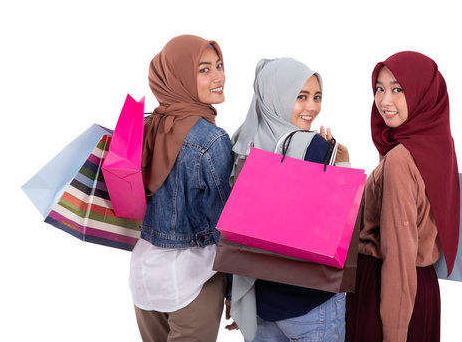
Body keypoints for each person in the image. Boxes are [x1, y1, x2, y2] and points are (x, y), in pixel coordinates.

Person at [229, 57, 349, 342]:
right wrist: (340, 163)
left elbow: (230, 230)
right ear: (277, 96)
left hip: (260, 304)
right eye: (301, 97)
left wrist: (232, 294)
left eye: (316, 97)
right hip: (311, 303)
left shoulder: (242, 146)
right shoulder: (315, 147)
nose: (312, 108)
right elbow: (344, 223)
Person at [345, 51, 460, 342]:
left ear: (422, 92)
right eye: (379, 89)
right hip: (421, 291)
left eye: (398, 89)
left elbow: (398, 255)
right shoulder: (435, 145)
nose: (385, 101)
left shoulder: (399, 160)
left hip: (388, 294)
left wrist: (394, 334)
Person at [128, 35, 233, 342]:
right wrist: (237, 291)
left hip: (144, 276)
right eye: (203, 70)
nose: (219, 77)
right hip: (192, 279)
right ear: (180, 76)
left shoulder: (146, 127)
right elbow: (223, 228)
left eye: (219, 65)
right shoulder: (212, 141)